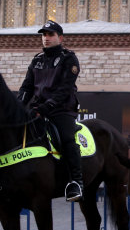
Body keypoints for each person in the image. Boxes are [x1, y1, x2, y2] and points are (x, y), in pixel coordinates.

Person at [18, 20, 83, 202]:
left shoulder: (69, 59)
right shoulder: (37, 60)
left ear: (60, 38)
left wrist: (45, 108)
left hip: (62, 110)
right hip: (38, 109)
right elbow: (27, 88)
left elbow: (65, 89)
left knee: (67, 139)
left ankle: (76, 182)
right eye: (44, 35)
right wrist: (17, 108)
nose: (46, 38)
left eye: (50, 34)